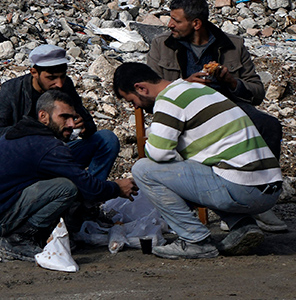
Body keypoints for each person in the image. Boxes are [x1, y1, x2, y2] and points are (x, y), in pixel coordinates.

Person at [113, 62, 282, 259]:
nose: (135, 106)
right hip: (268, 187)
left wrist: (152, 135)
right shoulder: (193, 89)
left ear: (141, 88)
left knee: (143, 169)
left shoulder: (169, 99)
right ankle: (242, 225)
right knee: (202, 164)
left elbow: (158, 154)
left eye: (131, 100)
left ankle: (195, 240)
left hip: (243, 188)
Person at [145, 0, 286, 227]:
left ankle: (258, 198)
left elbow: (257, 91)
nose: (170, 24)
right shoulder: (162, 45)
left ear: (196, 23)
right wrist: (183, 84)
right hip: (183, 113)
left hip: (228, 109)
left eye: (176, 20)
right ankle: (214, 206)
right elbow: (150, 87)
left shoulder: (233, 45)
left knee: (269, 125)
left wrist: (232, 82)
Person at [0, 90, 136, 261]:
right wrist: (116, 188)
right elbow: (88, 186)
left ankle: (81, 213)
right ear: (43, 116)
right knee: (66, 188)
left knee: (105, 139)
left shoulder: (28, 131)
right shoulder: (47, 147)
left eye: (73, 118)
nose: (71, 124)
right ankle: (19, 239)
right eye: (64, 118)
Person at [0, 44, 121, 183]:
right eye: (51, 78)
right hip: (26, 160)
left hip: (60, 154)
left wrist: (83, 125)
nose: (59, 84)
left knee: (107, 139)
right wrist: (31, 132)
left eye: (62, 77)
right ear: (34, 72)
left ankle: (92, 193)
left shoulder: (65, 86)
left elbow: (88, 124)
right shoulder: (12, 90)